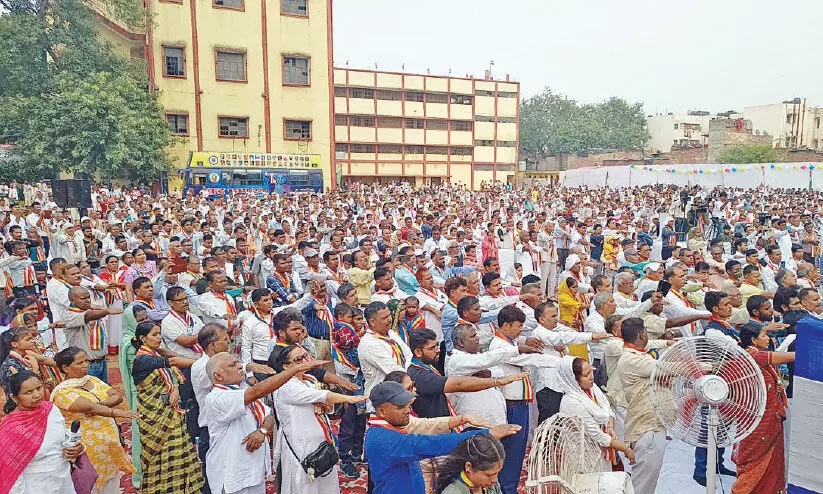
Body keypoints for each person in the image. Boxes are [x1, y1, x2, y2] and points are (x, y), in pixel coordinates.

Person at [364, 380, 520, 494]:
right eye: (400, 407)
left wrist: (462, 419)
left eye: (407, 405)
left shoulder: (392, 425)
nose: (407, 410)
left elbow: (427, 425)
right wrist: (484, 434)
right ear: (382, 411)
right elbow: (431, 444)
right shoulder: (382, 439)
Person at [201, 350, 323, 494]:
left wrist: (262, 430)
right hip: (231, 475)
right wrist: (295, 370)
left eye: (238, 363)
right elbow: (258, 392)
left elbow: (269, 416)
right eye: (232, 365)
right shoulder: (216, 397)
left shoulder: (242, 389)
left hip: (253, 470)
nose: (240, 366)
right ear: (218, 376)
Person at [270, 344, 368, 494]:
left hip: (321, 443)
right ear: (285, 366)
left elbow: (325, 406)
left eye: (305, 356)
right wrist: (351, 398)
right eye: (298, 359)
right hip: (301, 447)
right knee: (306, 485)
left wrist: (328, 407)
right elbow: (323, 396)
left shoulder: (309, 380)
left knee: (326, 485)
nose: (304, 361)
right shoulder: (285, 386)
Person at [51, 347, 138, 494]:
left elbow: (116, 396)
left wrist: (101, 405)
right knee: (91, 485)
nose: (86, 365)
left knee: (111, 484)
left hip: (108, 445)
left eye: (86, 361)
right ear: (65, 367)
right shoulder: (62, 392)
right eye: (79, 363)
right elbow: (89, 408)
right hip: (86, 450)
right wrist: (115, 411)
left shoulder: (92, 379)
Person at [130, 321, 203, 493]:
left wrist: (176, 388)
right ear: (142, 338)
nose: (158, 338)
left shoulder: (154, 354)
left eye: (159, 334)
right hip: (155, 415)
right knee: (161, 452)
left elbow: (170, 376)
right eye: (154, 335)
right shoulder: (142, 359)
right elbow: (173, 361)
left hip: (171, 411)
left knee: (180, 449)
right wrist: (204, 363)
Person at [731, 325, 794, 493]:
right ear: (753, 340)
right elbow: (794, 356)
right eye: (765, 335)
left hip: (761, 418)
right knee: (756, 465)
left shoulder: (744, 355)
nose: (769, 339)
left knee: (770, 464)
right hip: (761, 422)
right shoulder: (755, 356)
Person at [0, 371, 85, 493]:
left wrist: (78, 448)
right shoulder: (11, 428)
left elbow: (63, 436)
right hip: (37, 487)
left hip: (64, 482)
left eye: (39, 388)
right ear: (14, 397)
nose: (37, 395)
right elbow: (11, 473)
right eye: (28, 392)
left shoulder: (50, 409)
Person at [556, 356, 635, 471]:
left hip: (602, 451)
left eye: (591, 372)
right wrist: (626, 449)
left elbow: (608, 410)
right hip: (586, 456)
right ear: (573, 379)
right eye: (586, 375)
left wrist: (610, 426)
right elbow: (598, 436)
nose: (591, 377)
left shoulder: (593, 390)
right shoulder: (572, 403)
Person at [62, 286, 119, 382]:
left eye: (88, 297)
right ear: (72, 300)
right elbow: (88, 316)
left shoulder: (91, 311)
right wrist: (106, 311)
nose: (88, 300)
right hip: (87, 364)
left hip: (101, 361)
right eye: (83, 298)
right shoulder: (69, 315)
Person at [433, 434, 507, 494]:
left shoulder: (489, 483)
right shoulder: (453, 492)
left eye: (497, 473)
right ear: (469, 467)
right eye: (489, 475)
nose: (494, 479)